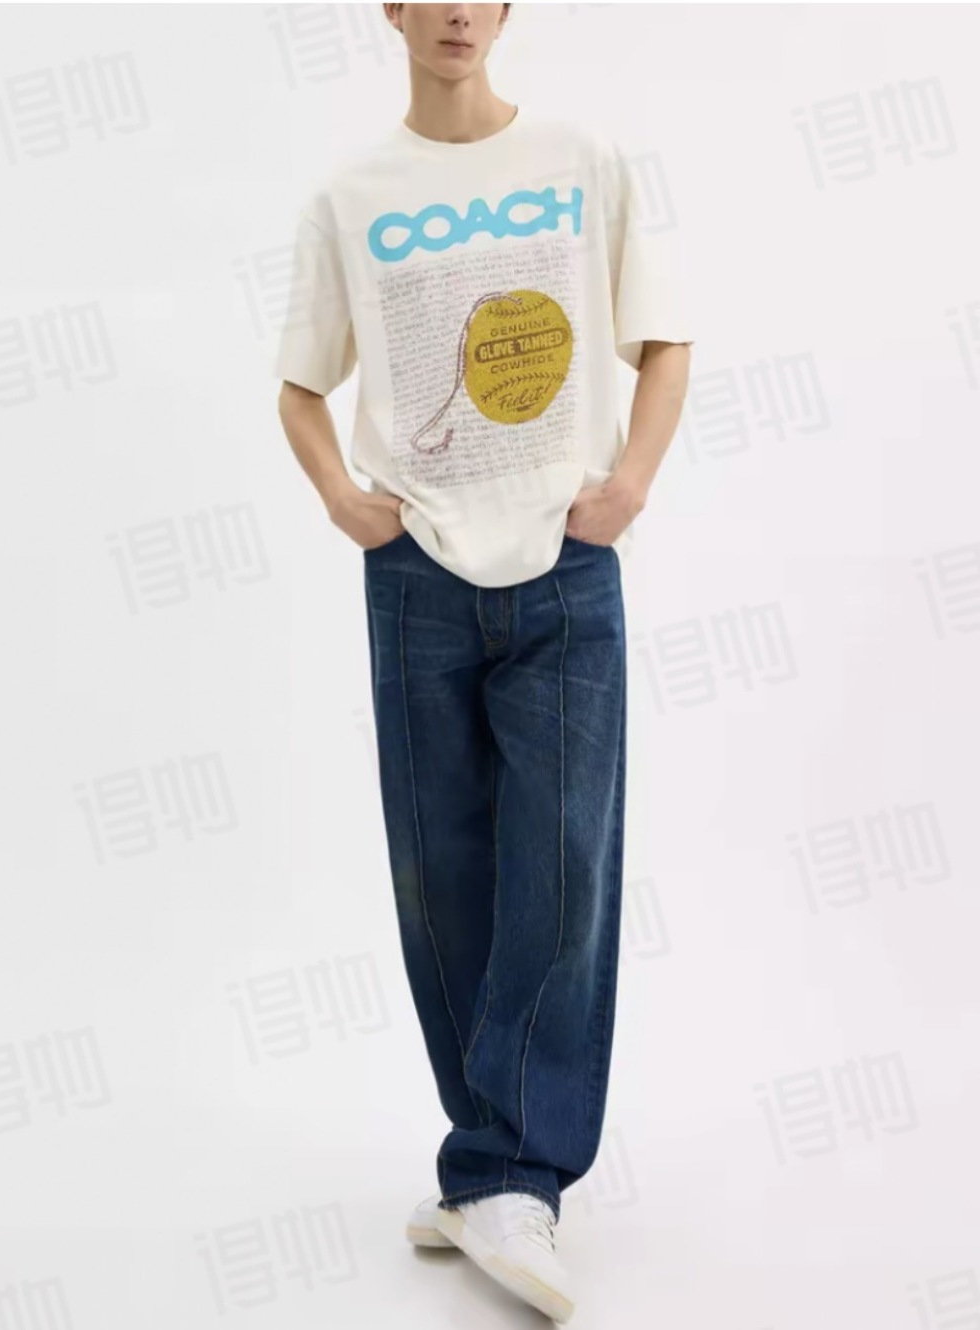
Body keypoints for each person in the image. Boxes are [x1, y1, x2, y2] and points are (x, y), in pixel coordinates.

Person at [274, 3, 693, 1321]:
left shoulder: (579, 159)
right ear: (391, 10)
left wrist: (628, 485)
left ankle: (513, 1173)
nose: (458, 9)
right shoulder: (353, 195)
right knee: (441, 870)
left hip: (565, 562)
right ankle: (487, 1164)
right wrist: (343, 500)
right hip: (416, 574)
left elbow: (664, 335)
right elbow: (300, 384)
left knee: (561, 862)